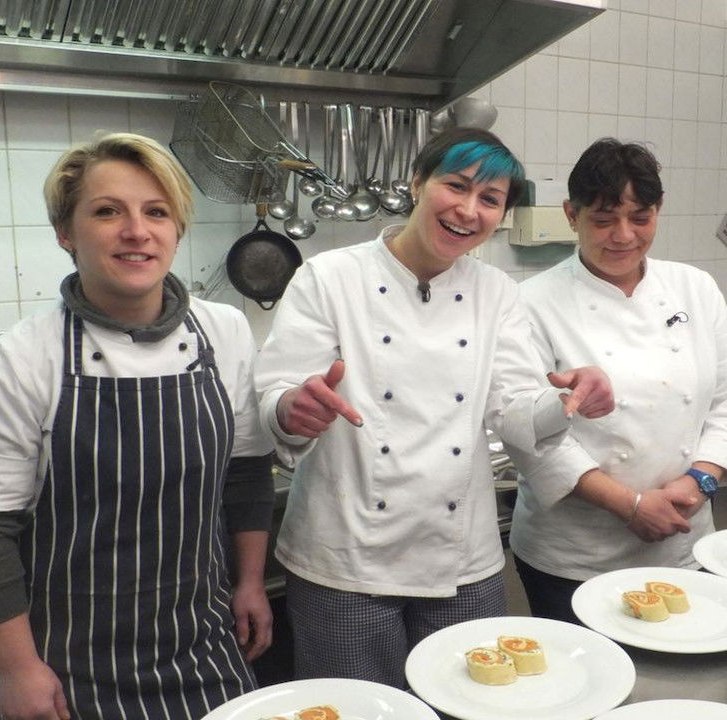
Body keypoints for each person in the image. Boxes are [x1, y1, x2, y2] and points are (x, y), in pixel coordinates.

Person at [254, 127, 611, 688]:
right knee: (360, 709)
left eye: (490, 199)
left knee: (472, 701)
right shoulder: (330, 277)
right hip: (345, 558)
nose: (469, 210)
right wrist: (291, 409)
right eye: (457, 186)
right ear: (418, 182)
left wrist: (564, 402)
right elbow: (278, 394)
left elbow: (514, 407)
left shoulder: (496, 292)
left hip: (463, 561)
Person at [0, 133, 276, 720]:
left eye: (156, 212)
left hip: (201, 641)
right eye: (107, 211)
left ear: (177, 229)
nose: (137, 231)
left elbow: (245, 473)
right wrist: (18, 669)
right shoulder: (21, 358)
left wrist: (249, 582)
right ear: (65, 233)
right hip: (61, 660)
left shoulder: (224, 332)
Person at [506, 138, 727, 623]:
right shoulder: (530, 302)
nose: (623, 235)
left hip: (682, 536)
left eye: (640, 218)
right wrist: (631, 505)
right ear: (571, 214)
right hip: (574, 554)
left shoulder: (694, 288)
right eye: (603, 219)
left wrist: (700, 480)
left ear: (658, 210)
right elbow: (527, 432)